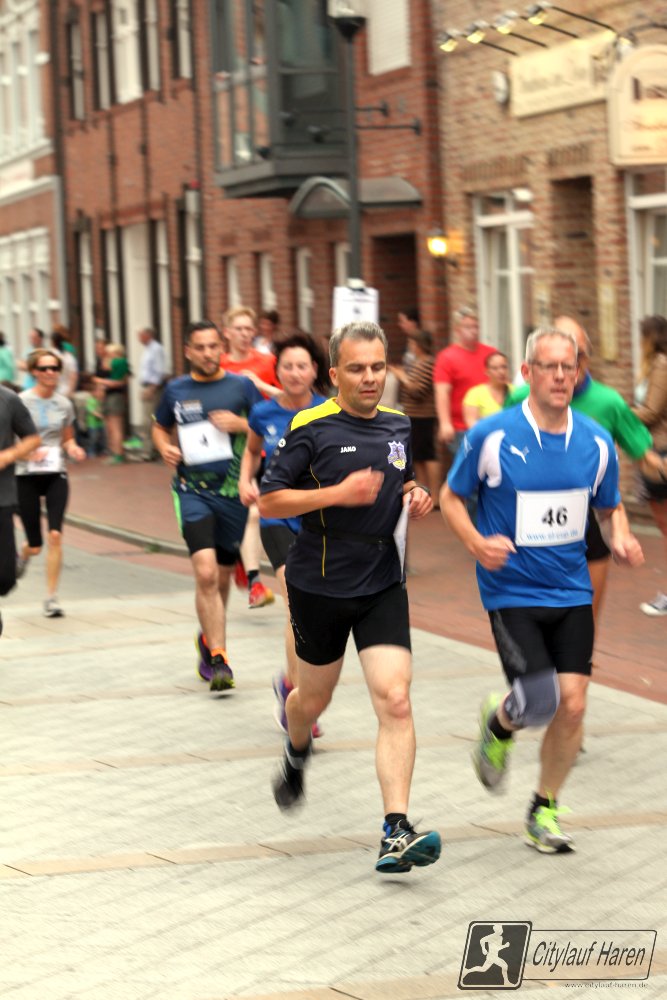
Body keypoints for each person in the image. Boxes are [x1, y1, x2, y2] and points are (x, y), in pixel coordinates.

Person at [441, 326, 644, 854]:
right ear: (527, 373)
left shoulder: (596, 441)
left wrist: (621, 536)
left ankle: (543, 808)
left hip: (571, 590)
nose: (559, 376)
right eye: (548, 366)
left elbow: (609, 507)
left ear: (578, 373)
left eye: (567, 367)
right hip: (510, 590)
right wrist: (476, 543)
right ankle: (499, 723)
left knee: (572, 706)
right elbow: (450, 498)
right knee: (540, 700)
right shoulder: (492, 435)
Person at [259, 320, 442, 875]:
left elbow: (401, 478)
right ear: (335, 373)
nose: (370, 378)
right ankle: (297, 750)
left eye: (378, 367)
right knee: (310, 703)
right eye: (358, 368)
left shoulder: (398, 424)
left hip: (382, 580)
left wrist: (415, 493)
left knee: (396, 699)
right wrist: (339, 493)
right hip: (320, 583)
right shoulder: (309, 426)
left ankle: (395, 830)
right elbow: (270, 501)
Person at [505, 316, 661, 629]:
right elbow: (499, 452)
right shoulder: (521, 398)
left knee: (581, 629)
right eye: (555, 361)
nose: (565, 370)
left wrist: (622, 530)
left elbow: (643, 453)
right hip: (528, 519)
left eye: (576, 358)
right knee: (533, 621)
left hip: (585, 515)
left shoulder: (608, 402)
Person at [153, 320, 262, 692]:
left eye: (213, 346)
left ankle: (208, 637)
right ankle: (219, 657)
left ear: (221, 348)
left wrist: (240, 424)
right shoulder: (175, 390)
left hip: (232, 493)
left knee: (222, 576)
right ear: (188, 351)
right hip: (192, 491)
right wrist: (163, 447)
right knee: (205, 573)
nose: (207, 353)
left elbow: (266, 427)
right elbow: (159, 426)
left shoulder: (241, 386)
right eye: (199, 347)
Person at [239, 331, 328, 738]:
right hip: (276, 516)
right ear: (277, 371)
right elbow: (251, 450)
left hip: (315, 518)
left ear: (315, 370)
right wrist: (245, 480)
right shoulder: (263, 412)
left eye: (302, 366)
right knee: (296, 603)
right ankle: (296, 696)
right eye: (287, 366)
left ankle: (290, 683)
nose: (294, 373)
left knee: (313, 611)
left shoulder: (327, 410)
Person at [15, 349, 86, 617]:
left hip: (56, 472)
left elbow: (67, 437)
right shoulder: (20, 402)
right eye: (44, 368)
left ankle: (51, 598)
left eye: (54, 368)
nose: (50, 373)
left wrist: (74, 448)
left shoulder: (64, 404)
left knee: (55, 535)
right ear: (34, 371)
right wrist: (26, 452)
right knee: (36, 545)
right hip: (26, 475)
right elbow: (8, 441)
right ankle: (24, 554)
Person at [221, 306, 280, 608]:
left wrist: (260, 385)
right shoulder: (219, 365)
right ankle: (252, 577)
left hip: (267, 448)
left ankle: (252, 576)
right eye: (239, 329)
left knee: (258, 512)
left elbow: (289, 399)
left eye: (249, 329)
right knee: (248, 513)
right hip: (228, 454)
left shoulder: (267, 362)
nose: (245, 334)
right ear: (227, 332)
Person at [633, 315, 667, 617]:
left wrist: (619, 414)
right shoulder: (656, 365)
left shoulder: (661, 365)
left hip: (660, 451)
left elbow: (652, 411)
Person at [0, 383, 40, 636]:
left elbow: (32, 438)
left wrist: (8, 455)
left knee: (5, 577)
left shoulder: (8, 399)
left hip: (2, 497)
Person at [433, 306, 496, 452]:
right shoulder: (447, 357)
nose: (473, 331)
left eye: (476, 327)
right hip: (461, 427)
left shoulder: (490, 354)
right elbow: (442, 392)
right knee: (468, 464)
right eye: (468, 327)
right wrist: (445, 423)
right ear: (457, 330)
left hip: (490, 423)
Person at [389, 328, 441, 502]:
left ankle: (435, 494)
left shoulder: (427, 363)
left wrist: (401, 376)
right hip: (413, 415)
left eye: (412, 343)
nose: (410, 346)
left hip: (423, 416)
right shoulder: (417, 362)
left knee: (428, 454)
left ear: (419, 345)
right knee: (417, 455)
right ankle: (424, 491)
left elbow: (418, 390)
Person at [125, 327, 166, 460]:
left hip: (153, 388)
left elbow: (159, 371)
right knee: (147, 419)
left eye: (140, 336)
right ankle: (150, 449)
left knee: (150, 419)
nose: (139, 339)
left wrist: (151, 389)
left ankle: (151, 451)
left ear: (148, 335)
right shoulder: (148, 349)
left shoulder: (156, 349)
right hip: (147, 386)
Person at [95, 343, 130, 464]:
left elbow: (118, 382)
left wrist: (100, 381)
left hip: (115, 397)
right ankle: (114, 452)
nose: (108, 356)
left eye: (110, 354)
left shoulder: (120, 362)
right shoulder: (117, 363)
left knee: (116, 427)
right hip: (109, 396)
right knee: (110, 427)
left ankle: (118, 454)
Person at [462, 351, 512, 427]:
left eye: (504, 367)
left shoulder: (516, 392)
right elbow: (472, 423)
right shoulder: (475, 394)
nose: (501, 372)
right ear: (487, 371)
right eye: (495, 368)